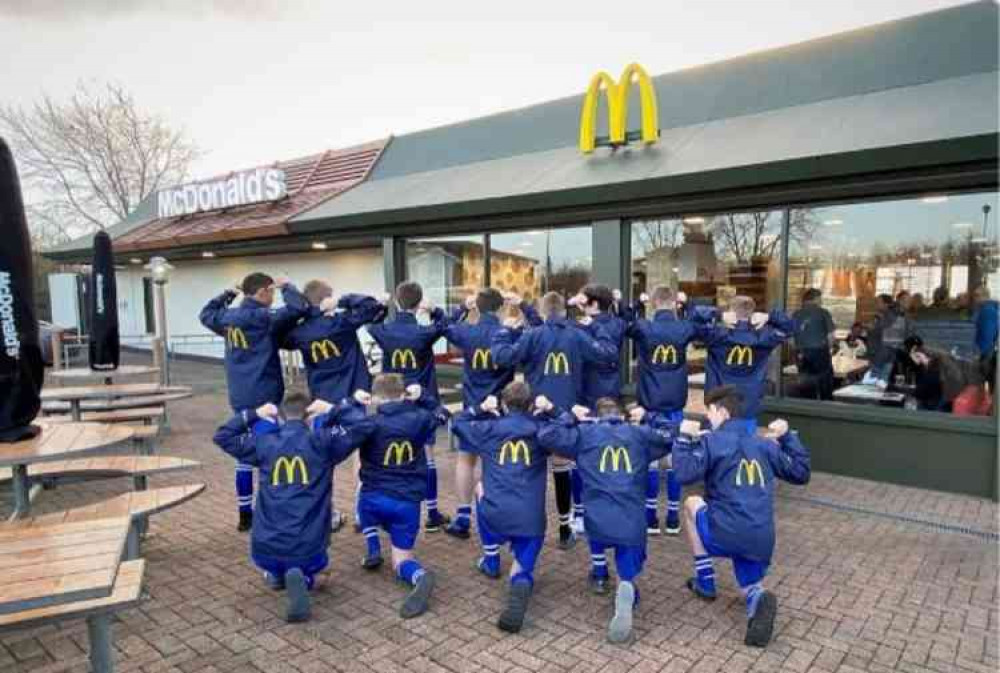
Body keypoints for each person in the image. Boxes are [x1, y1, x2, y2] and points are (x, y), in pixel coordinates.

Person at [673, 386, 811, 648]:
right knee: (750, 584)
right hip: (760, 538)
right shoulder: (764, 443)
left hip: (723, 532)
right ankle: (756, 599)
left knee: (691, 503)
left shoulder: (711, 441)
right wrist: (788, 437)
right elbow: (801, 473)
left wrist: (684, 438)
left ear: (722, 412)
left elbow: (683, 474)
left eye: (710, 412)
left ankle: (705, 581)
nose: (708, 418)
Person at [537, 396, 673, 643]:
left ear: (596, 416)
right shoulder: (639, 434)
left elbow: (546, 435)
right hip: (631, 518)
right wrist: (649, 416)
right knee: (629, 544)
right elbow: (672, 435)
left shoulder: (584, 433)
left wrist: (569, 416)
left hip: (596, 518)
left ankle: (600, 574)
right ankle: (627, 582)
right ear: (623, 415)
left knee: (596, 516)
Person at [212, 392, 357, 622]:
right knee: (324, 575)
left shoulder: (264, 442)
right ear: (309, 417)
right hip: (308, 548)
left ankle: (277, 574)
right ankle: (305, 578)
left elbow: (223, 435)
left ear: (279, 418)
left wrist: (254, 414)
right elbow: (364, 426)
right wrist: (332, 408)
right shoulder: (322, 442)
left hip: (265, 548)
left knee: (275, 561)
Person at [492, 291, 619, 549]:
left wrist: (505, 331)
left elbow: (502, 356)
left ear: (542, 311)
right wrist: (594, 325)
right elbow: (608, 353)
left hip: (536, 412)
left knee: (531, 469)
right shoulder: (576, 334)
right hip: (567, 413)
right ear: (563, 312)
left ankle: (524, 527)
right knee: (564, 468)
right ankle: (565, 526)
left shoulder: (533, 335)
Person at [312, 374, 445, 618]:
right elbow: (443, 414)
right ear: (403, 394)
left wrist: (348, 403)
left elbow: (332, 437)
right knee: (401, 561)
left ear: (374, 398)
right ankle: (420, 576)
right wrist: (424, 396)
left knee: (364, 507)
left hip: (373, 499)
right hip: (408, 501)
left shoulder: (368, 423)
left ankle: (372, 548)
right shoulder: (421, 418)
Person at [199, 273, 309, 531]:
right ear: (262, 293)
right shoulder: (264, 318)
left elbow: (206, 313)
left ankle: (244, 512)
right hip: (264, 395)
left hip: (239, 394)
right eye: (271, 292)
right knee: (268, 454)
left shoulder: (226, 318)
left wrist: (229, 293)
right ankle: (270, 512)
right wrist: (287, 286)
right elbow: (298, 308)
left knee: (244, 457)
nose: (273, 297)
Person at [279, 280, 387, 533]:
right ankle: (362, 514)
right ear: (327, 299)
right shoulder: (341, 322)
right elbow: (372, 306)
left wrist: (302, 309)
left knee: (321, 459)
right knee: (362, 457)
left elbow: (280, 335)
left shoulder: (300, 332)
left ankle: (326, 513)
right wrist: (343, 300)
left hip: (320, 402)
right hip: (353, 399)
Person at [451, 381, 554, 633]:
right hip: (531, 520)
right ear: (531, 405)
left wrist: (480, 408)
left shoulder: (489, 427)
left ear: (504, 405)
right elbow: (572, 431)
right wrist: (551, 410)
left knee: (479, 487)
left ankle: (491, 559)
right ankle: (520, 577)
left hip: (494, 514)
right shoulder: (541, 429)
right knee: (523, 564)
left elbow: (457, 424)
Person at [442, 288, 541, 540]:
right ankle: (498, 515)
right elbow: (539, 330)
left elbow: (444, 326)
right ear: (499, 308)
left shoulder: (468, 331)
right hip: (501, 406)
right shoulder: (507, 331)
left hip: (474, 405)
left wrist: (463, 309)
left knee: (466, 459)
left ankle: (463, 517)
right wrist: (523, 307)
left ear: (478, 306)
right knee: (495, 463)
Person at [368, 281, 451, 532]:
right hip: (420, 400)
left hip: (391, 399)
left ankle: (387, 509)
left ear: (397, 301)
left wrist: (382, 307)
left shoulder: (384, 330)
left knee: (386, 453)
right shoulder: (423, 332)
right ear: (419, 303)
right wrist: (434, 311)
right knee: (427, 457)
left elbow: (371, 324)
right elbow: (445, 325)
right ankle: (433, 512)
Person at [625, 285, 705, 536]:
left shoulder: (645, 328)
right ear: (673, 304)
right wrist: (688, 304)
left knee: (649, 461)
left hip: (649, 404)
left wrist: (638, 304)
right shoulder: (683, 327)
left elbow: (626, 324)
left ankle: (650, 517)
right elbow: (700, 324)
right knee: (674, 460)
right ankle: (672, 516)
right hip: (674, 405)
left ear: (654, 303)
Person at [566, 283, 629, 533]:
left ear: (591, 304)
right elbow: (624, 317)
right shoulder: (617, 323)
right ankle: (608, 507)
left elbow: (555, 323)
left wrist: (572, 307)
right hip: (611, 394)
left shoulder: (585, 326)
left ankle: (581, 512)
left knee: (582, 456)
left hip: (587, 396)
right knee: (609, 453)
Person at [696, 296, 794, 423]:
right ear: (752, 313)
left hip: (719, 406)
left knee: (717, 440)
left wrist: (718, 315)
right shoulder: (764, 337)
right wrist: (770, 317)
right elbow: (790, 327)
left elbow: (694, 318)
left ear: (731, 312)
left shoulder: (716, 334)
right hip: (749, 403)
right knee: (747, 439)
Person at [792, 289, 836, 400]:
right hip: (819, 351)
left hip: (801, 352)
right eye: (820, 298)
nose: (821, 300)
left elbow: (790, 337)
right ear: (815, 298)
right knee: (824, 380)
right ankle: (826, 405)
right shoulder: (823, 313)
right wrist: (830, 348)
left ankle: (807, 405)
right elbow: (831, 335)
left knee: (806, 381)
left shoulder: (796, 314)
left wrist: (796, 350)